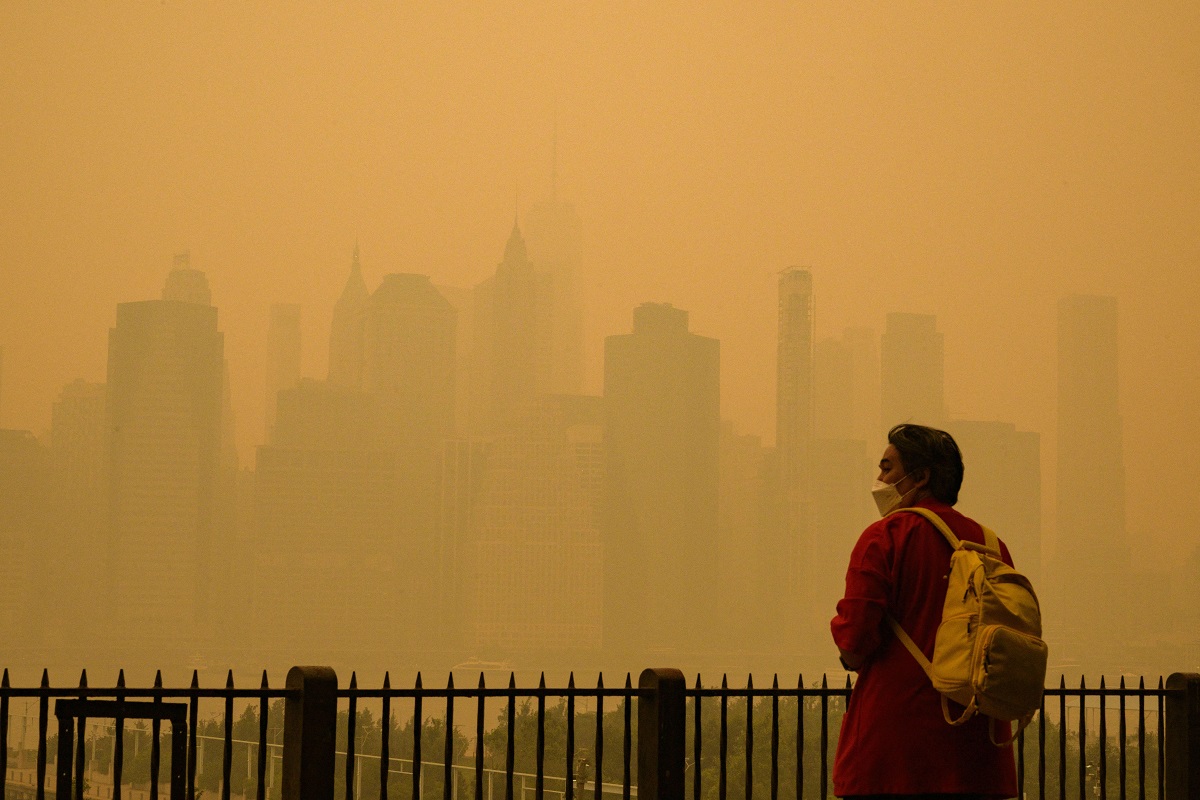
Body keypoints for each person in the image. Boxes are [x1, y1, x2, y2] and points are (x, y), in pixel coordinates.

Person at [830, 424, 1017, 800]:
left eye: (887, 468)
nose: (879, 479)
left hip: (895, 756)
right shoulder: (991, 546)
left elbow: (853, 642)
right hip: (980, 753)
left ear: (920, 477)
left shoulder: (885, 537)